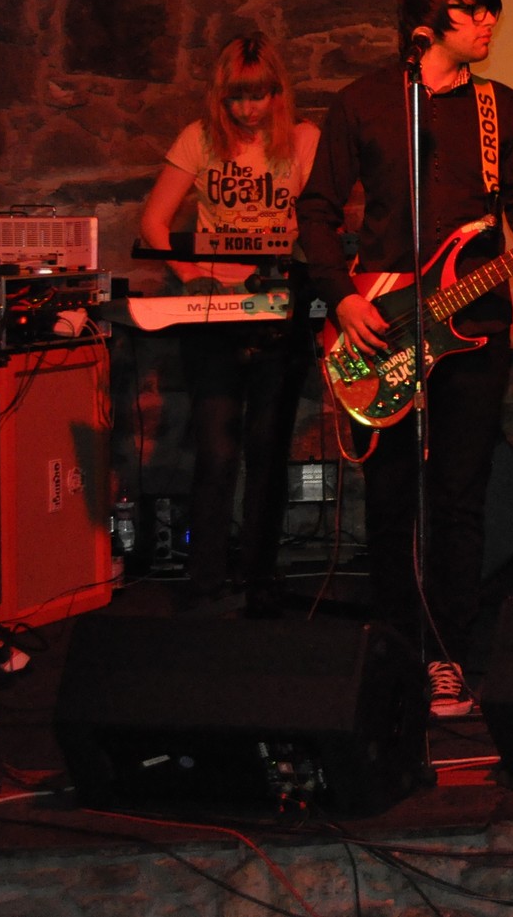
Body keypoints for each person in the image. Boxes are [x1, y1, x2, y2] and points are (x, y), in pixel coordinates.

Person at [296, 0, 513, 717]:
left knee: (460, 497)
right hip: (382, 323)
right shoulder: (365, 101)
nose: (489, 22)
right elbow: (317, 210)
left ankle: (449, 655)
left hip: (476, 326)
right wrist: (342, 299)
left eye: (491, 9)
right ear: (428, 21)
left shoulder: (501, 108)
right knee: (390, 499)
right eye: (474, 10)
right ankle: (393, 650)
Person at [138, 33, 320, 617]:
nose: (247, 110)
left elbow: (320, 223)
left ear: (277, 92)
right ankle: (206, 579)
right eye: (236, 98)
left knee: (268, 450)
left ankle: (260, 575)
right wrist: (192, 276)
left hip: (277, 310)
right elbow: (154, 222)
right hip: (214, 312)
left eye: (257, 96)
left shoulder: (304, 141)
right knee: (216, 451)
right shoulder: (198, 139)